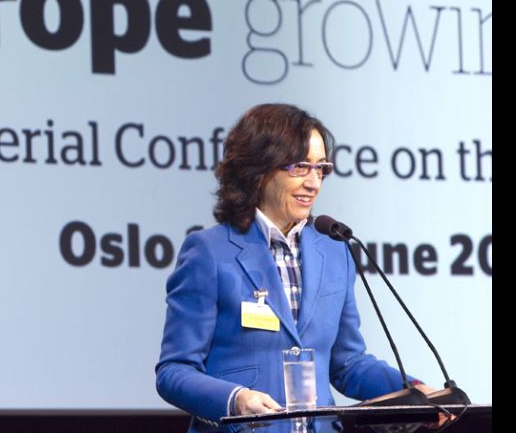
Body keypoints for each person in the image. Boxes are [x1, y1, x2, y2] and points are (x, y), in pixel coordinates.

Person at [155, 103, 436, 432]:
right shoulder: (210, 252)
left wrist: (415, 391)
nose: (314, 183)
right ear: (258, 171)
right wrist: (235, 399)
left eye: (320, 169)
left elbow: (348, 364)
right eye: (300, 167)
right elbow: (174, 371)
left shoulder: (334, 250)